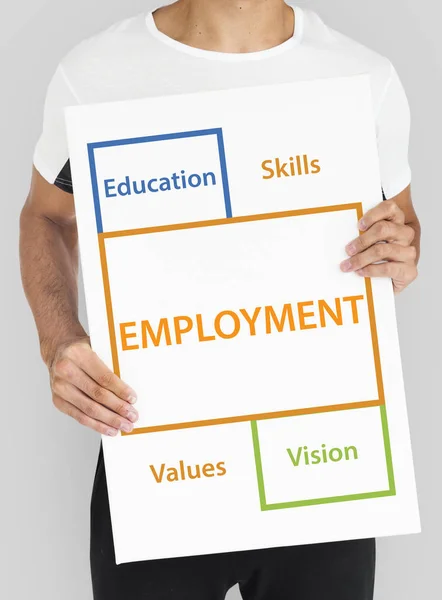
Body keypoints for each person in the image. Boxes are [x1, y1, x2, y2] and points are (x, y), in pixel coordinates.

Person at [19, 1, 421, 599]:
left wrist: (401, 255)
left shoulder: (367, 79)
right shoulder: (97, 72)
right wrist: (59, 340)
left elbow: (402, 231)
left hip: (323, 467)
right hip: (159, 462)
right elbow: (47, 217)